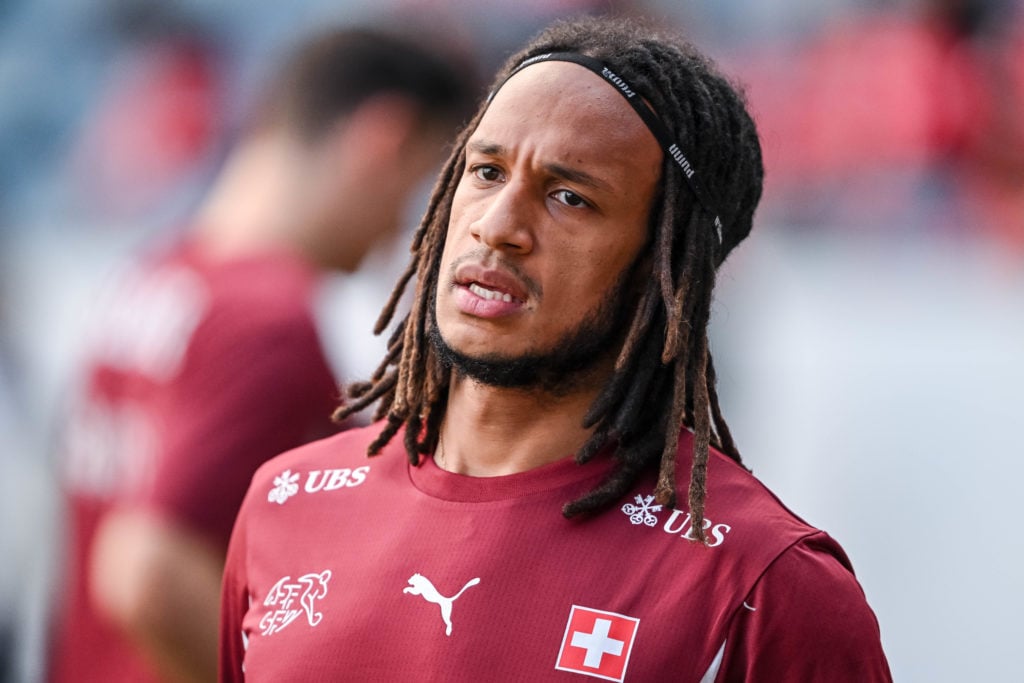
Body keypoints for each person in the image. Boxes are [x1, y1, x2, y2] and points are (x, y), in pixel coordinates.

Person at [220, 15, 892, 682]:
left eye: (569, 197)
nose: (498, 225)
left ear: (669, 272)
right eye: (485, 171)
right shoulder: (285, 500)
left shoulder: (764, 588)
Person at [49, 26, 474, 683]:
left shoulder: (153, 276)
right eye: (423, 188)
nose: (403, 227)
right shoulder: (265, 320)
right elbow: (146, 570)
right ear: (382, 140)